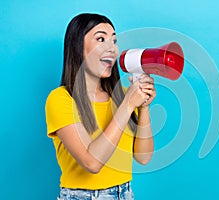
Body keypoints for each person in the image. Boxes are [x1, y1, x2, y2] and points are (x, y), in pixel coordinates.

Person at [45, 13, 156, 200]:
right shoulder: (61, 99)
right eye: (101, 39)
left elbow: (143, 157)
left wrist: (143, 107)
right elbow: (92, 163)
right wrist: (128, 105)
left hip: (125, 193)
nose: (111, 48)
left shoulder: (123, 94)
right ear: (78, 46)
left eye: (114, 40)